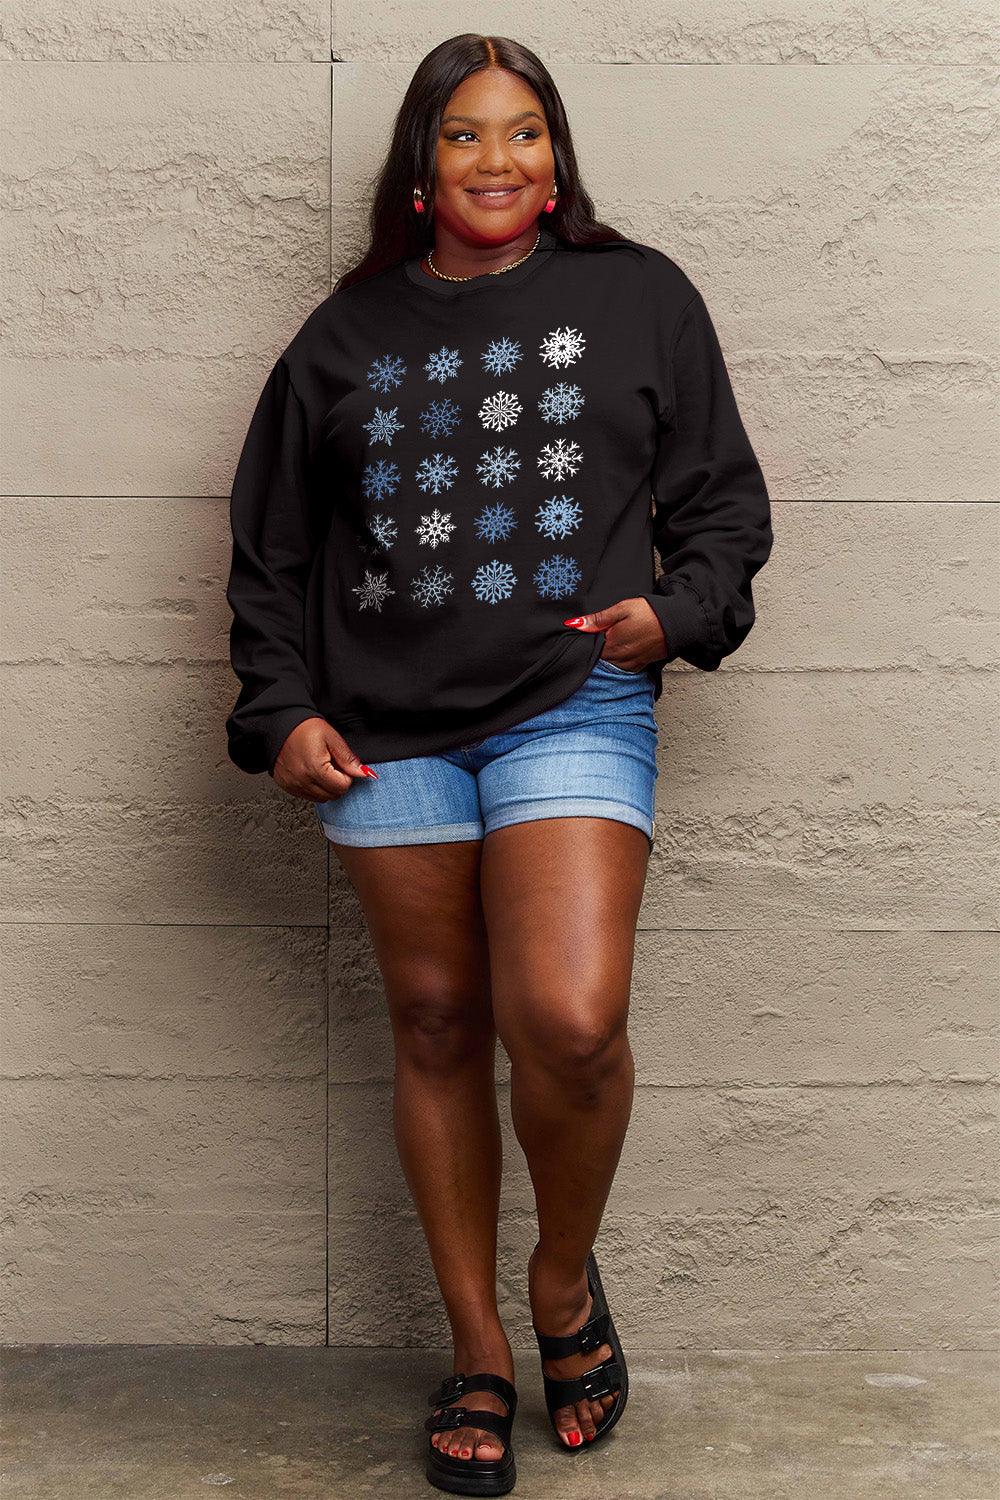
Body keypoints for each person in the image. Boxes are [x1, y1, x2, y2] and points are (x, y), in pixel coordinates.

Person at [224, 32, 773, 1498]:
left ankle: (561, 1282)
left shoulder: (639, 297)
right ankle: (475, 1346)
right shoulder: (342, 338)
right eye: (464, 134)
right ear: (421, 163)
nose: (497, 160)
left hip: (569, 701)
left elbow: (723, 503)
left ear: (557, 155)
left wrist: (676, 614)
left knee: (570, 1021)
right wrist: (280, 709)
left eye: (524, 132)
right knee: (437, 1021)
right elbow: (271, 549)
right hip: (382, 729)